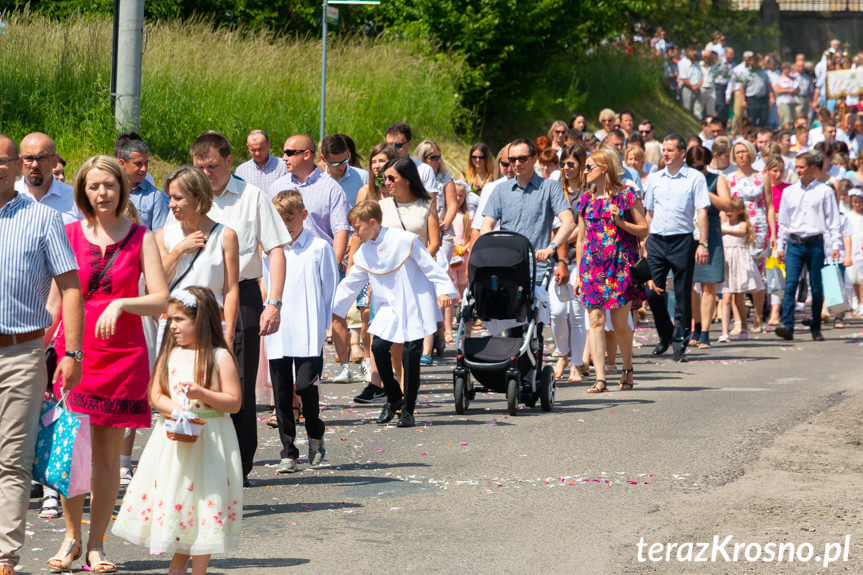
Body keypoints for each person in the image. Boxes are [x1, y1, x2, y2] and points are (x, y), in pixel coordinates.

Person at [48, 155, 169, 573]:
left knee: (106, 458)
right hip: (75, 356)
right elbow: (55, 304)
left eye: (110, 186)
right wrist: (42, 351)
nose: (102, 193)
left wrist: (123, 302)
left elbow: (161, 298)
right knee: (72, 454)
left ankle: (96, 544)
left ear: (122, 189)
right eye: (94, 186)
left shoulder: (141, 236)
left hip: (123, 357)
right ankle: (70, 538)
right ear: (83, 190)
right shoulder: (65, 234)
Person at [111, 287, 242, 575]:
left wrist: (203, 394)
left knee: (207, 502)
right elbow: (155, 393)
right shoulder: (170, 354)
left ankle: (197, 570)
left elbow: (233, 402)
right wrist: (174, 408)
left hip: (211, 439)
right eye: (171, 320)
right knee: (182, 500)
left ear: (202, 320)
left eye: (181, 319)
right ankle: (178, 564)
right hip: (174, 438)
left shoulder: (219, 356)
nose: (173, 326)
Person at [0, 134, 83, 575]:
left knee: (11, 457)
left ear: (16, 167)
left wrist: (72, 351)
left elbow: (70, 287)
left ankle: (4, 555)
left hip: (21, 352)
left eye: (3, 161)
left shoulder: (42, 219)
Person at [189, 131, 288, 486]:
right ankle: (199, 457)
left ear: (230, 162)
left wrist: (273, 303)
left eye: (213, 166)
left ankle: (239, 464)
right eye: (200, 167)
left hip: (244, 295)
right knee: (195, 378)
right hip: (198, 299)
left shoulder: (252, 198)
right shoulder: (189, 199)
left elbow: (275, 249)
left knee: (238, 384)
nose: (207, 173)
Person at [333, 200, 456, 428]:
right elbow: (351, 283)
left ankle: (408, 409)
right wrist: (332, 308)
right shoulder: (364, 253)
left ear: (372, 222)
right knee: (379, 349)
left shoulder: (404, 240)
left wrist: (444, 290)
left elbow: (429, 266)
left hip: (414, 303)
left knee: (410, 355)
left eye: (357, 227)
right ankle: (393, 397)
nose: (355, 233)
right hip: (388, 306)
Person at [265, 191, 338, 473]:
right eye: (279, 220)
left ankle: (315, 432)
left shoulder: (319, 248)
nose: (285, 225)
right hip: (279, 329)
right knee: (282, 393)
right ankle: (288, 451)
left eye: (290, 218)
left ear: (303, 216)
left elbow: (328, 288)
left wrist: (323, 325)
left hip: (308, 328)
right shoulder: (271, 251)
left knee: (306, 387)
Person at [271, 134, 352, 381]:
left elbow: (340, 231)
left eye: (289, 152)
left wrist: (331, 264)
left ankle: (307, 393)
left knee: (310, 334)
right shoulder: (277, 185)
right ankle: (286, 403)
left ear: (306, 154)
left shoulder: (330, 188)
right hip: (284, 265)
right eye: (284, 152)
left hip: (316, 264)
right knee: (284, 332)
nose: (283, 157)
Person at [573, 149, 649, 393]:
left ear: (604, 168)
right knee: (595, 320)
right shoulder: (586, 199)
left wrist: (621, 223)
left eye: (589, 167)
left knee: (619, 324)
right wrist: (577, 273)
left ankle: (627, 368)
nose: (584, 171)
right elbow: (581, 239)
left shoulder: (627, 195)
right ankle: (600, 378)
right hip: (592, 267)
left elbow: (643, 229)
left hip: (620, 265)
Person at [155, 165, 240, 347]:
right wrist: (178, 251)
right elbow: (157, 283)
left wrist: (230, 334)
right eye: (169, 198)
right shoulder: (163, 236)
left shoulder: (225, 235)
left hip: (212, 325)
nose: (171, 205)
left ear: (198, 197)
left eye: (178, 198)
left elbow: (230, 289)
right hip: (173, 326)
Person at [644, 135, 711, 362]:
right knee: (653, 293)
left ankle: (679, 343)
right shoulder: (654, 179)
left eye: (670, 150)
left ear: (682, 152)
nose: (666, 154)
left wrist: (703, 242)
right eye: (664, 150)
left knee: (682, 293)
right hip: (656, 240)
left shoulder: (694, 178)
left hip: (682, 239)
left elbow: (701, 211)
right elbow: (649, 213)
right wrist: (644, 241)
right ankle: (665, 334)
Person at [775, 151, 842, 340]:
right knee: (790, 284)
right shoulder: (790, 192)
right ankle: (787, 324)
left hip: (815, 243)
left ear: (813, 169)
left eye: (802, 167)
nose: (798, 171)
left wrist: (835, 244)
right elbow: (784, 222)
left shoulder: (824, 191)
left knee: (816, 286)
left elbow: (833, 220)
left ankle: (816, 326)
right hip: (795, 243)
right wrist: (781, 246)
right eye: (796, 167)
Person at [380, 158, 441, 366]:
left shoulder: (427, 205)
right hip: (388, 278)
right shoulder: (382, 206)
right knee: (387, 338)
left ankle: (408, 384)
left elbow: (434, 243)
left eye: (391, 178)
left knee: (411, 338)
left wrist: (415, 261)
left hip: (417, 276)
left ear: (407, 180)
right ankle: (396, 383)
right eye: (384, 178)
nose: (386, 182)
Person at [727, 139, 774, 333]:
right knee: (736, 273)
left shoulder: (762, 176)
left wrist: (773, 233)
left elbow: (769, 205)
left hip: (758, 227)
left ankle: (757, 314)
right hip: (736, 226)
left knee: (757, 273)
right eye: (737, 152)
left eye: (744, 152)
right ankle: (739, 321)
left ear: (751, 154)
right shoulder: (729, 178)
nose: (740, 155)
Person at [552, 144, 589, 382]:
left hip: (581, 258)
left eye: (571, 164)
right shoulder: (555, 189)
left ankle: (576, 363)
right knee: (556, 313)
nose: (566, 168)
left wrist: (565, 235)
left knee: (577, 314)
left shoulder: (589, 192)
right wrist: (565, 235)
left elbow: (585, 229)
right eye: (563, 163)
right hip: (556, 258)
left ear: (581, 165)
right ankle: (562, 354)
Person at [689, 146, 731, 348]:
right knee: (688, 285)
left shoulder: (716, 179)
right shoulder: (684, 178)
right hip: (688, 232)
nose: (697, 171)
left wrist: (703, 191)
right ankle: (695, 324)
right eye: (693, 167)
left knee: (708, 285)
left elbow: (726, 204)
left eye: (700, 167)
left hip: (711, 232)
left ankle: (705, 331)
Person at [718, 197, 765, 342]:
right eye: (727, 210)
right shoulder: (724, 224)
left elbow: (742, 232)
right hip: (726, 260)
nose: (728, 213)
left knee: (738, 298)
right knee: (725, 298)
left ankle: (744, 327)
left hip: (738, 261)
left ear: (739, 211)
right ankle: (724, 331)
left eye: (731, 210)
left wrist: (725, 231)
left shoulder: (742, 224)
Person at [15, 132, 81, 224]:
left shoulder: (75, 199)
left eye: (41, 158)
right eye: (29, 158)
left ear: (55, 161)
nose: (35, 165)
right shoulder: (6, 197)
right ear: (20, 162)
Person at [117, 138, 169, 231]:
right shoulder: (110, 190)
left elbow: (159, 235)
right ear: (122, 163)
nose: (144, 169)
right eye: (138, 164)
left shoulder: (155, 197)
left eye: (146, 163)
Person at [384, 122, 436, 194]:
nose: (393, 149)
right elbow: (376, 188)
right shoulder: (381, 168)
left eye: (398, 145)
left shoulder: (424, 170)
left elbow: (431, 200)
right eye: (389, 145)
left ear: (409, 144)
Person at [319, 133, 368, 209]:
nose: (341, 166)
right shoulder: (318, 182)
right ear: (323, 158)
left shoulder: (363, 177)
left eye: (344, 160)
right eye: (335, 163)